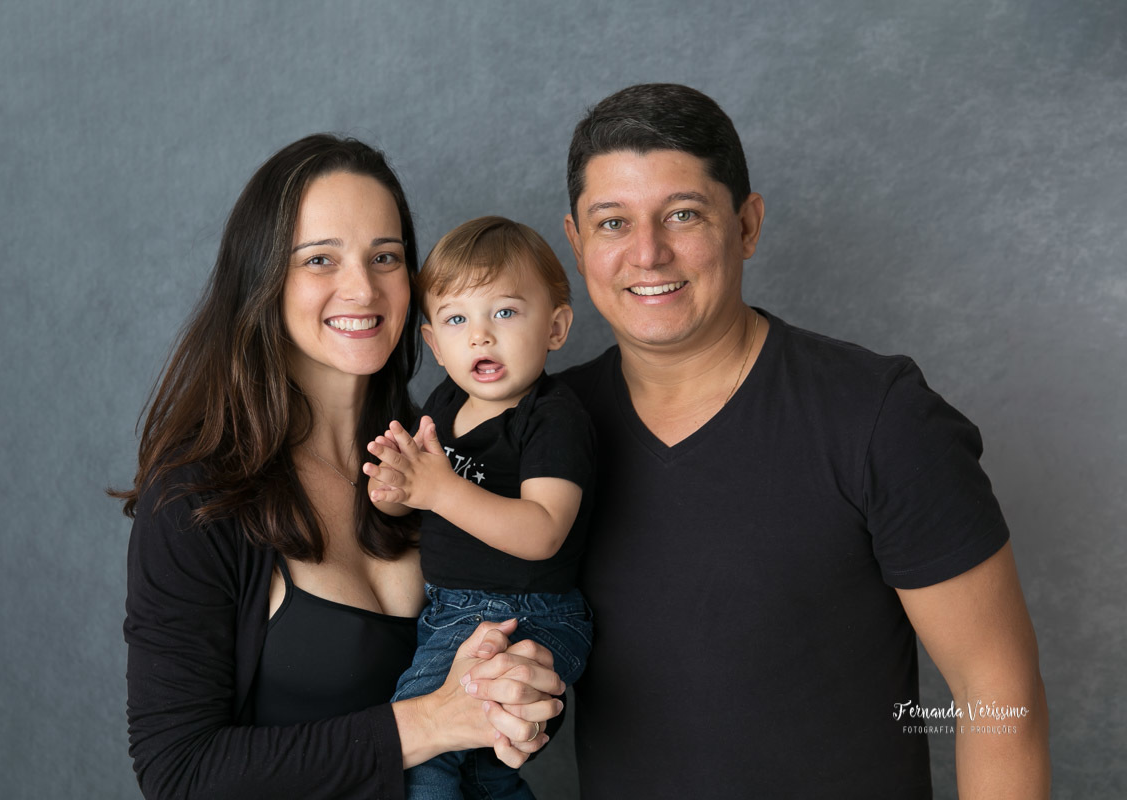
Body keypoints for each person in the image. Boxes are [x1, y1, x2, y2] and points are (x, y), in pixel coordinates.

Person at [558, 84, 1050, 798]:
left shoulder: (879, 418)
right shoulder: (547, 432)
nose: (648, 253)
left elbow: (996, 690)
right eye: (612, 223)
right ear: (577, 245)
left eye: (684, 214)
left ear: (747, 225)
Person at [115, 135, 565, 800]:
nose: (362, 288)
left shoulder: (445, 458)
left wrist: (518, 700)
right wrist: (430, 722)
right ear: (262, 279)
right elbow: (179, 773)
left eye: (385, 257)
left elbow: (513, 641)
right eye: (320, 259)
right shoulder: (196, 497)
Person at [363, 216, 595, 799]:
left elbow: (544, 531)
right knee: (479, 773)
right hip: (451, 611)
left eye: (506, 312)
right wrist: (398, 495)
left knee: (419, 756)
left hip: (523, 613)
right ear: (434, 344)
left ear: (556, 327)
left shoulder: (552, 418)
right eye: (457, 319)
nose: (480, 337)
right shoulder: (445, 403)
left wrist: (438, 490)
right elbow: (428, 506)